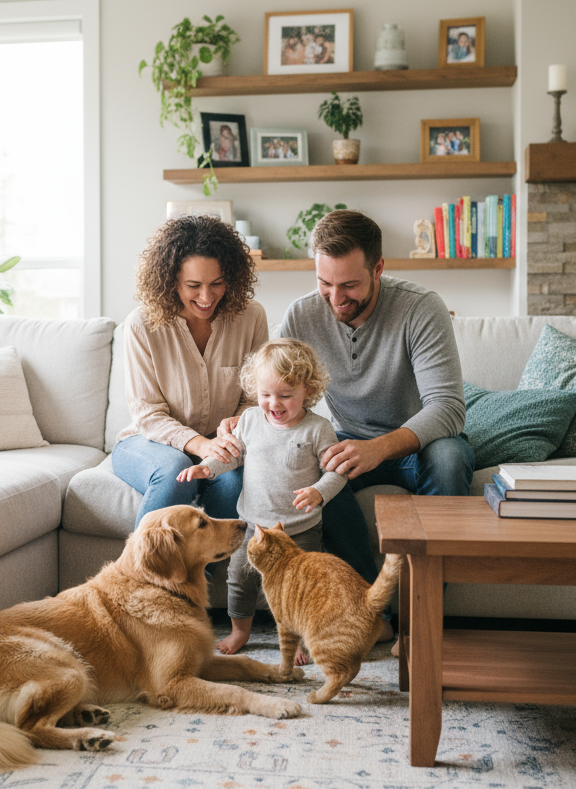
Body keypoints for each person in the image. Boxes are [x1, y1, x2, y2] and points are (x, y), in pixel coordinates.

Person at [277, 209, 475, 654]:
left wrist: (379, 448)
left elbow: (447, 408)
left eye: (348, 285)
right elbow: (279, 393)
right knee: (318, 471)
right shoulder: (302, 316)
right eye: (324, 283)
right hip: (349, 439)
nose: (335, 297)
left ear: (379, 268)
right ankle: (370, 620)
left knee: (451, 457)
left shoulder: (419, 307)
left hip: (418, 442)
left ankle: (422, 620)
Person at [177, 338, 345, 658]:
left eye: (285, 395)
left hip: (301, 528)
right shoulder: (251, 420)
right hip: (253, 527)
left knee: (301, 589)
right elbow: (232, 456)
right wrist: (207, 468)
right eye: (266, 395)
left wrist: (319, 492)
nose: (274, 404)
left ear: (308, 390)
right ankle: (240, 632)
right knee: (240, 579)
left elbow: (337, 472)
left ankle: (299, 640)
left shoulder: (318, 429)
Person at [112, 215, 268, 529]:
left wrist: (235, 426)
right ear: (171, 281)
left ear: (232, 278)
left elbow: (255, 398)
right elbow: (147, 414)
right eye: (193, 286)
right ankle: (134, 577)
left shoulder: (251, 317)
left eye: (217, 283)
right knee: (176, 472)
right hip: (149, 442)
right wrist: (200, 444)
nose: (207, 297)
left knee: (232, 483)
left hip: (222, 444)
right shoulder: (142, 324)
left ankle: (201, 578)